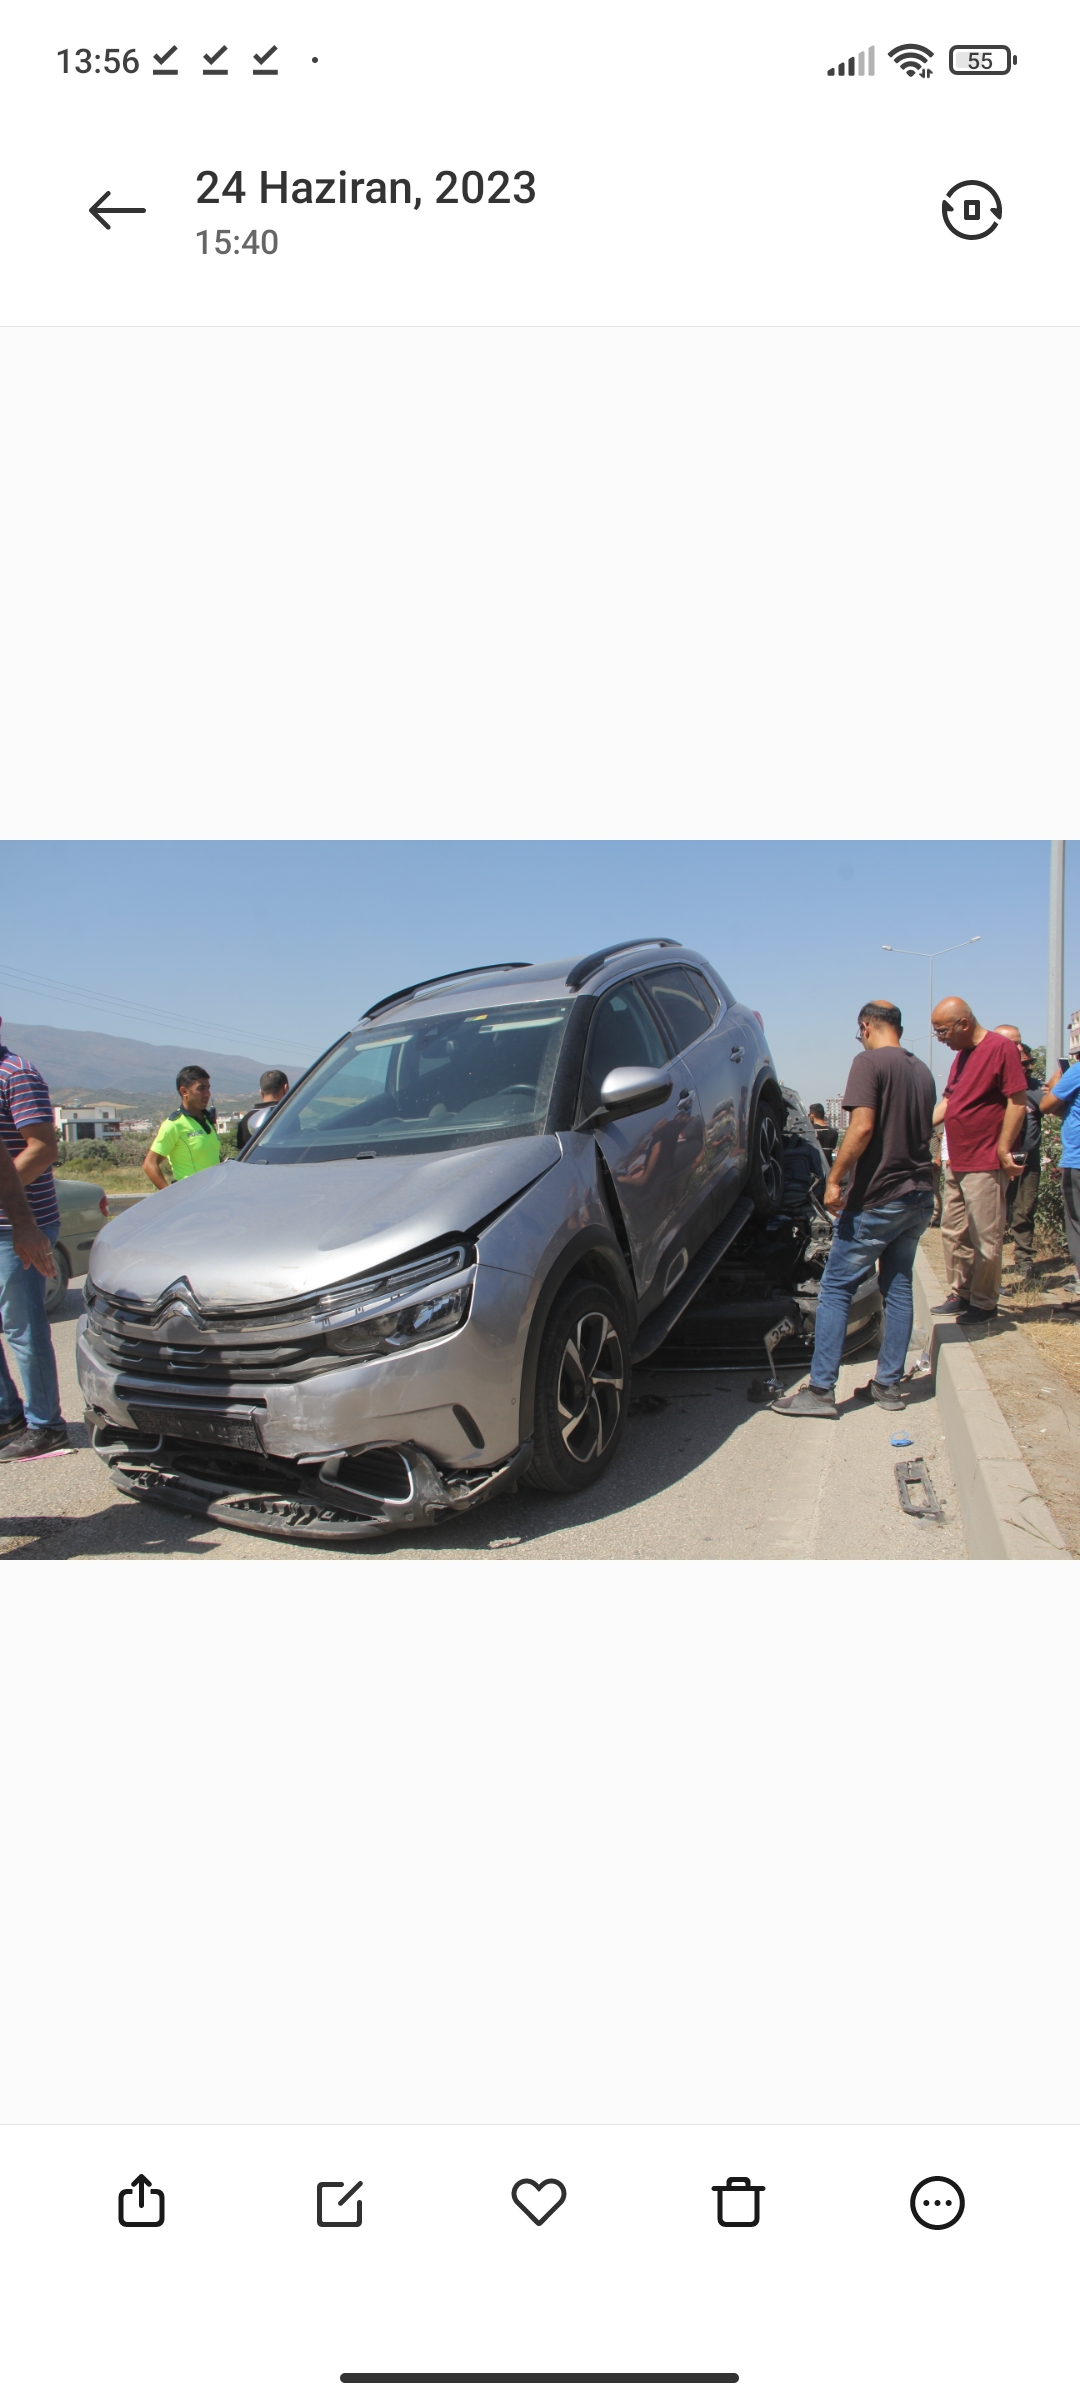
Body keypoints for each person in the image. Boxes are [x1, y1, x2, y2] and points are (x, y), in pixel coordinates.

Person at [771, 1000, 936, 1418]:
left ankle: (821, 1391)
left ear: (865, 1027)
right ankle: (887, 1386)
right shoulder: (921, 1070)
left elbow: (861, 1126)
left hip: (879, 1198)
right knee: (897, 1287)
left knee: (836, 1289)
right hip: (918, 1195)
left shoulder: (869, 1063)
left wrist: (834, 1178)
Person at [930, 999, 1027, 1321]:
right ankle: (962, 1292)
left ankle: (984, 1303)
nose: (940, 1038)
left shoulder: (1000, 1048)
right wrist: (916, 1126)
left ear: (964, 1024)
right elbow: (949, 1101)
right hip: (957, 1158)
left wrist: (1003, 1148)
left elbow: (1017, 1100)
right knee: (953, 1231)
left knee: (985, 1236)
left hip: (984, 1160)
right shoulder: (961, 1057)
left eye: (943, 1031)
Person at [0, 1019, 69, 1462]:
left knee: (22, 1327)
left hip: (18, 1226)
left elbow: (42, 1147)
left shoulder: (15, 1073)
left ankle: (46, 1425)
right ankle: (9, 1414)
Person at [993, 1024, 1043, 1290]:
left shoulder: (1037, 1088)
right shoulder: (996, 1083)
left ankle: (1025, 1259)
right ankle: (993, 1266)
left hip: (1029, 1160)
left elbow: (1053, 1107)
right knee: (997, 1213)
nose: (1024, 1066)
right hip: (1000, 1159)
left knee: (1025, 1210)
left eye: (1028, 1062)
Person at [1039, 1055, 1080, 1312]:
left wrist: (1055, 1084)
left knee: (1076, 1226)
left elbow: (1046, 1106)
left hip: (1078, 1161)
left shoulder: (1075, 1073)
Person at [143, 1066, 222, 1189]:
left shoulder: (207, 1120)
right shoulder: (174, 1125)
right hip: (190, 1198)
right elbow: (149, 1164)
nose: (207, 1094)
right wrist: (170, 1195)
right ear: (184, 1091)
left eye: (208, 1088)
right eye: (201, 1089)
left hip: (212, 1195)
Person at [237, 1069, 290, 1152]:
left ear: (261, 1092)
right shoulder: (287, 1116)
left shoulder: (246, 1119)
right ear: (285, 1088)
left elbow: (240, 1152)